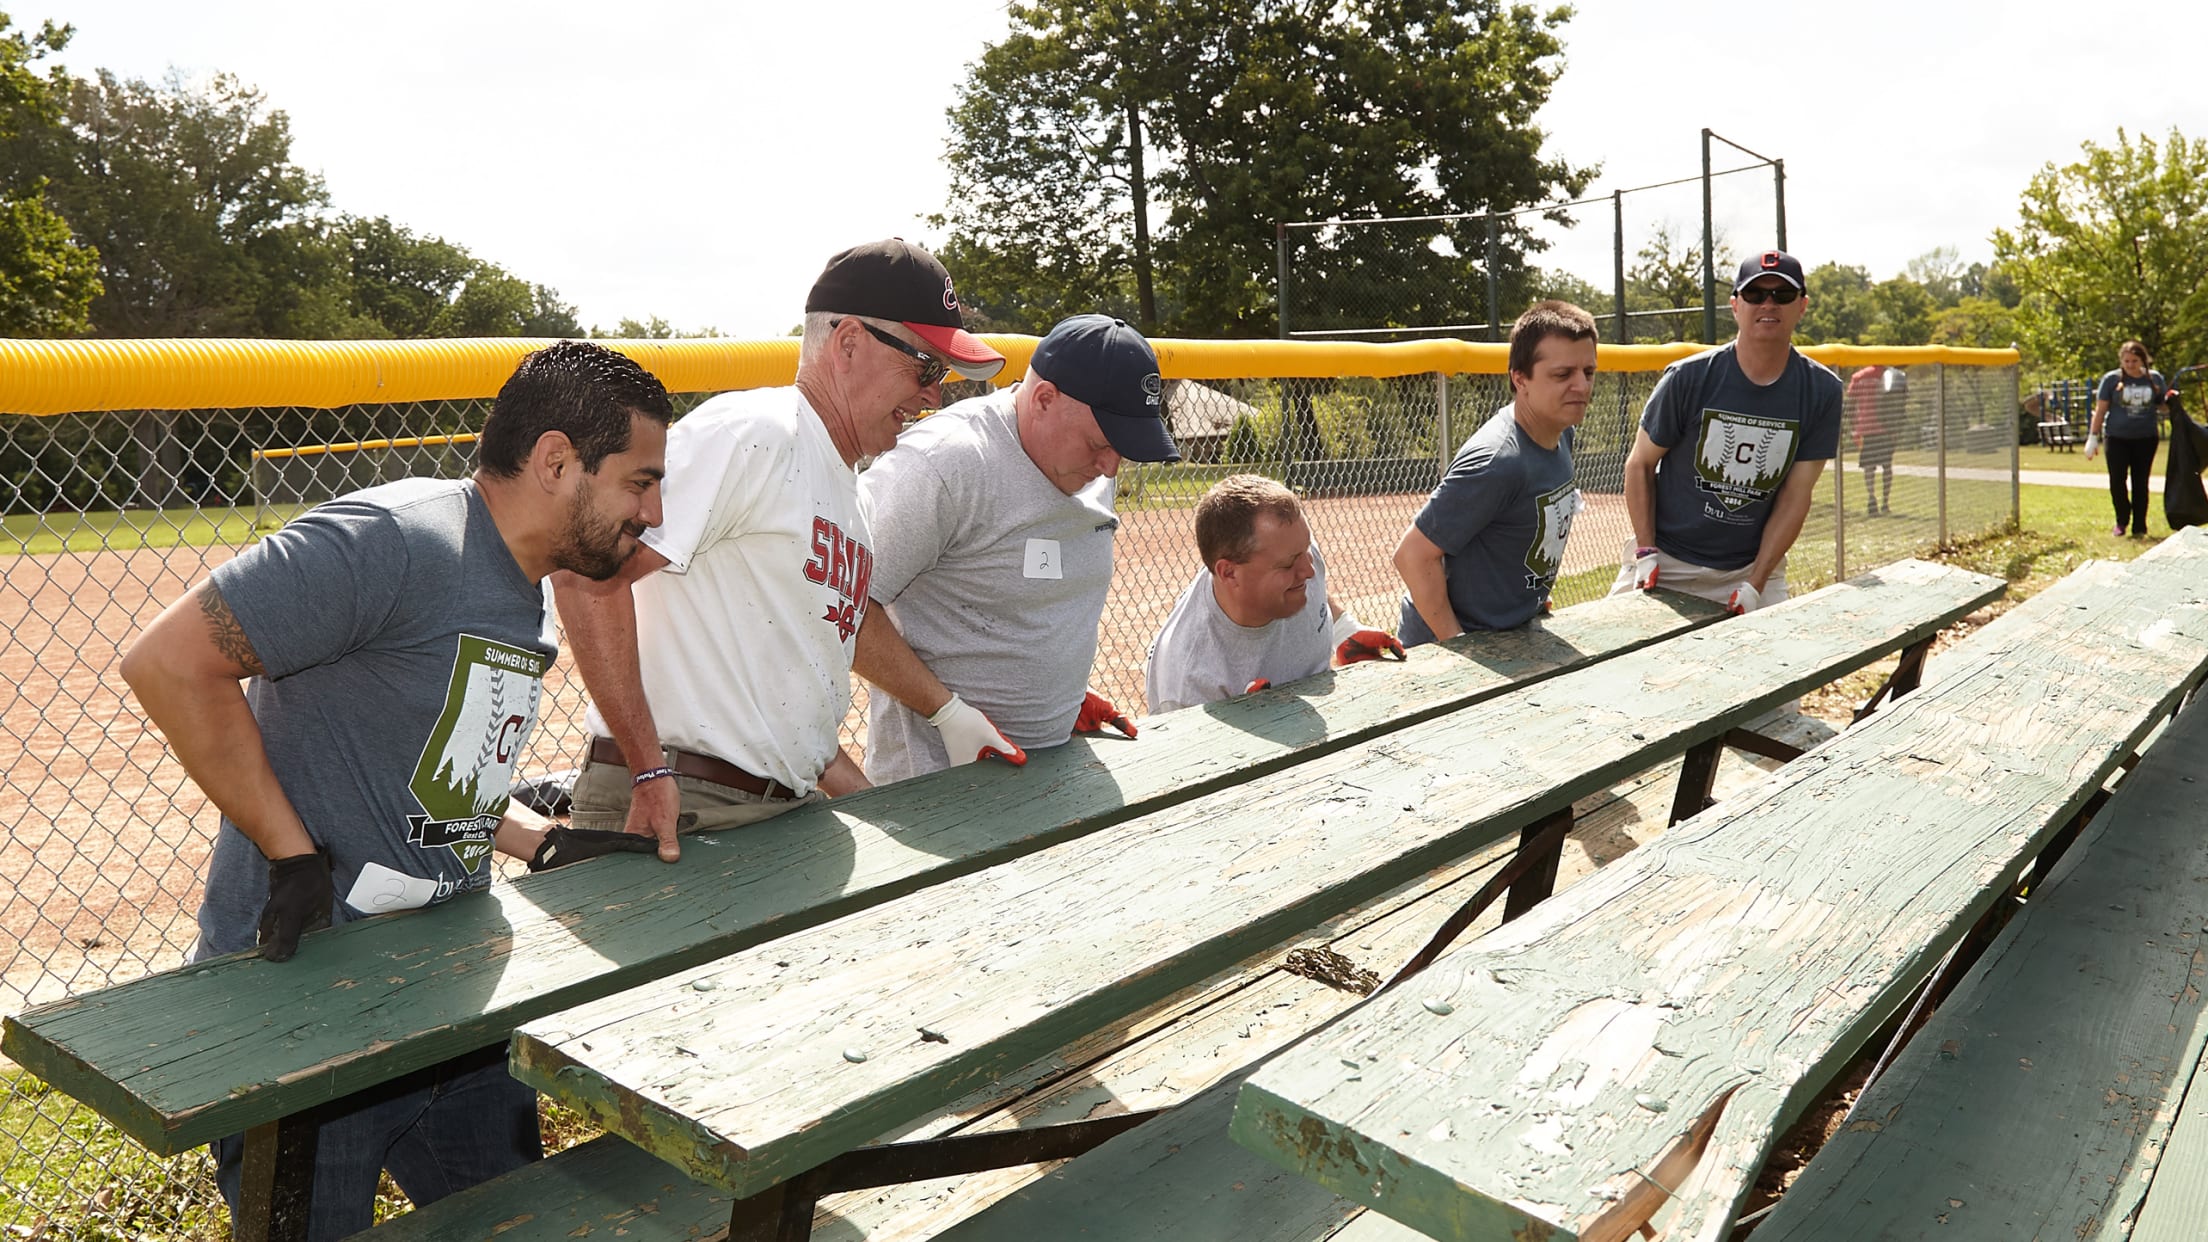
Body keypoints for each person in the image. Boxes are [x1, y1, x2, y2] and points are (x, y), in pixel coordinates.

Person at [119, 340, 675, 1238]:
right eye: (640, 481)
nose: (653, 510)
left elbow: (429, 756)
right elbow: (169, 665)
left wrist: (542, 841)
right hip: (307, 999)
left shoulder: (520, 579)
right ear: (556, 460)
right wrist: (290, 852)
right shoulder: (389, 539)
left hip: (448, 992)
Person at [554, 239, 1008, 853]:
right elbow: (584, 576)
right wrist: (647, 767)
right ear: (848, 343)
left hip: (777, 810)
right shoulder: (755, 436)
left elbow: (788, 716)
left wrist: (918, 761)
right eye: (926, 367)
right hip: (682, 805)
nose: (935, 394)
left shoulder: (845, 488)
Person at [852, 314, 1180, 784]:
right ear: (1044, 399)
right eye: (1099, 443)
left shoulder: (1083, 463)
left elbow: (1025, 582)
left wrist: (1061, 696)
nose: (1110, 467)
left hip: (1052, 765)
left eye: (1122, 448)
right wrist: (946, 713)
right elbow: (844, 604)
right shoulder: (945, 463)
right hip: (938, 785)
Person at [1611, 250, 1841, 613]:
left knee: (1780, 666)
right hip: (1666, 560)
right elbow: (1639, 465)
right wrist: (1645, 551)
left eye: (1782, 295)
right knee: (1609, 660)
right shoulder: (1688, 377)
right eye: (1754, 294)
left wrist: (1756, 582)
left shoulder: (1822, 391)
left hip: (1749, 568)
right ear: (1735, 305)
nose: (1769, 303)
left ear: (1802, 306)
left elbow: (1796, 495)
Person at [1393, 300, 1596, 645]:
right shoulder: (1498, 461)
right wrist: (1458, 644)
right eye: (1563, 374)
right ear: (1520, 379)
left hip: (1509, 636)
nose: (1581, 385)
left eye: (1588, 372)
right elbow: (1412, 555)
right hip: (1452, 650)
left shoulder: (1562, 432)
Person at [1144, 474, 1403, 713]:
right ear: (1229, 573)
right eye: (1288, 564)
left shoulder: (1296, 551)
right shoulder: (1188, 681)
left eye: (1306, 549)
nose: (1309, 571)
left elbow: (1313, 590)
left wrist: (1345, 630)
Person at [2088, 339, 2167, 538]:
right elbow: (2101, 409)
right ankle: (2121, 520)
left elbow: (2162, 406)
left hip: (2145, 437)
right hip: (2117, 437)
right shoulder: (2111, 380)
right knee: (2117, 481)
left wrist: (2172, 401)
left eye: (2134, 361)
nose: (2130, 365)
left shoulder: (2154, 379)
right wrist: (2092, 437)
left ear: (2143, 360)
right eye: (2127, 361)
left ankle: (2139, 526)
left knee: (2141, 482)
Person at [1847, 364, 1903, 516]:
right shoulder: (1890, 374)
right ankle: (1885, 502)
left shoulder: (1858, 377)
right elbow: (1898, 402)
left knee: (1869, 467)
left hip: (1866, 427)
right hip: (1886, 428)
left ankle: (1871, 497)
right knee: (1886, 466)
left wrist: (1854, 427)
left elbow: (1851, 404)